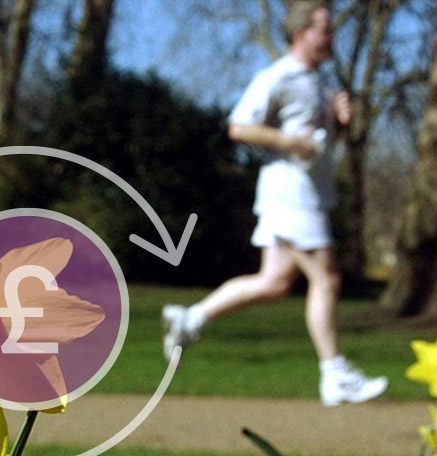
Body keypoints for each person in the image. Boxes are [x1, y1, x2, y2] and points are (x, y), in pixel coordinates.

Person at [162, 1, 388, 406]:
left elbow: (318, 146)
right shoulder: (278, 76)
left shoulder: (318, 81)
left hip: (309, 194)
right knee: (327, 279)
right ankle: (334, 374)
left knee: (275, 283)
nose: (331, 36)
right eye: (324, 29)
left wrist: (338, 123)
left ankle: (190, 319)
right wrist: (287, 141)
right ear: (301, 34)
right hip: (290, 196)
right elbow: (238, 127)